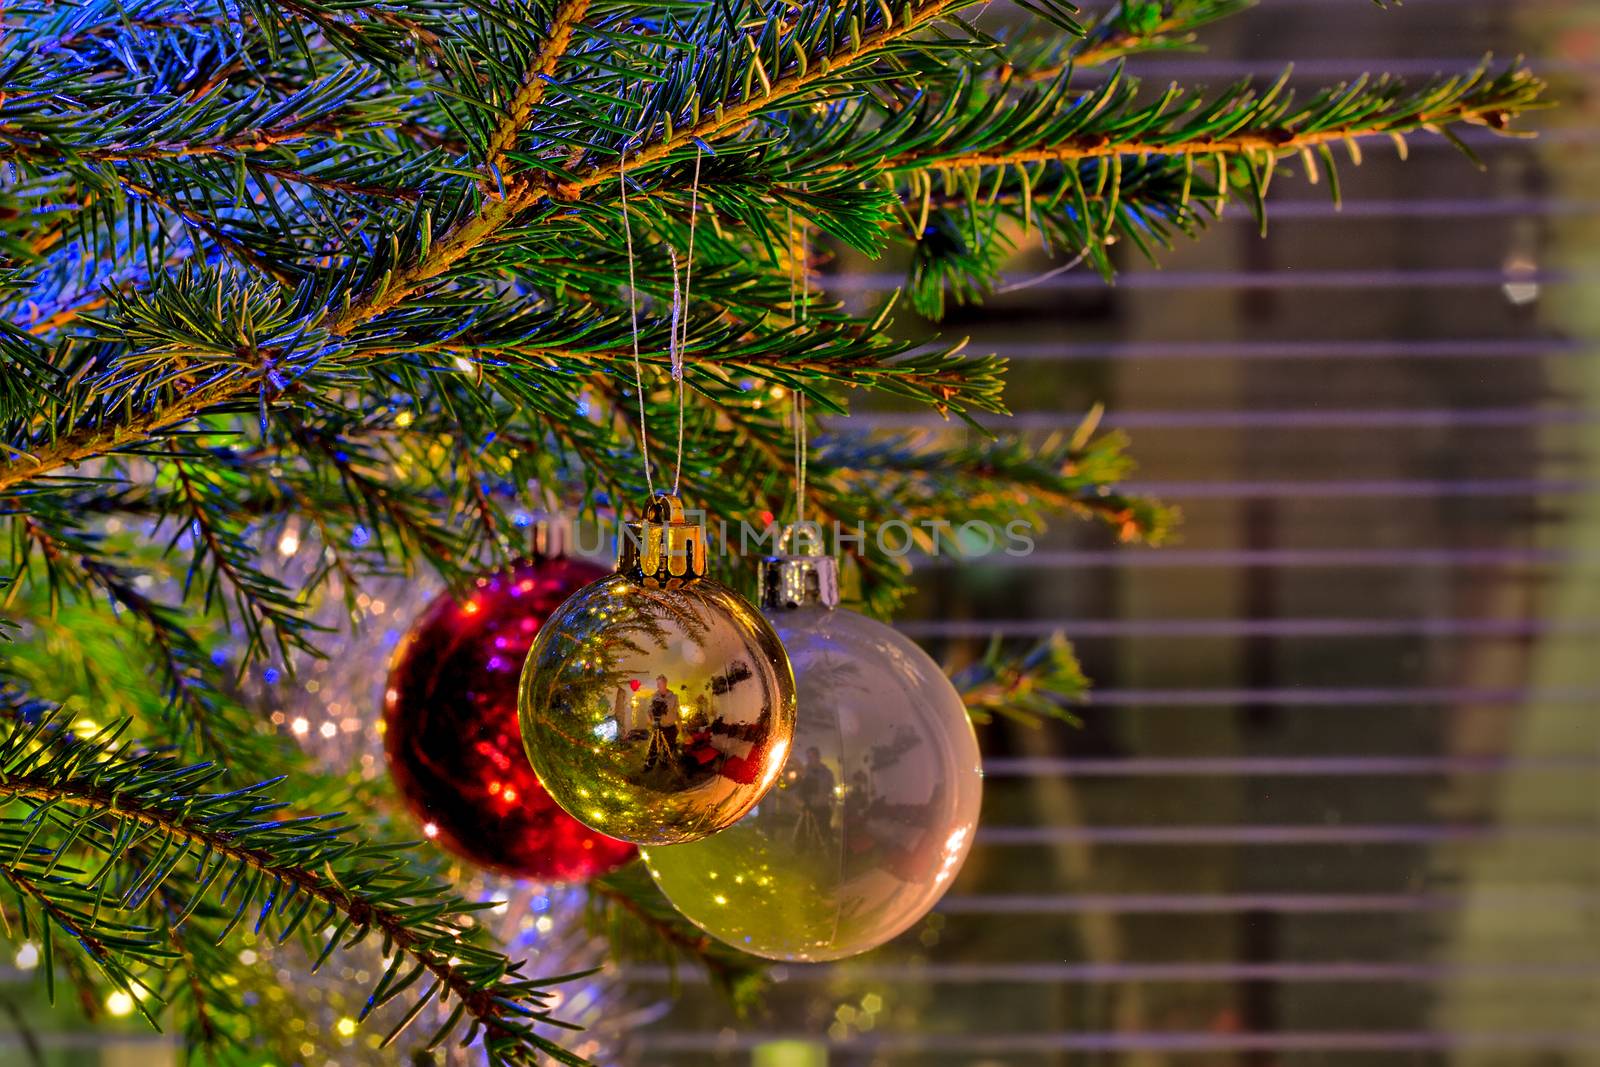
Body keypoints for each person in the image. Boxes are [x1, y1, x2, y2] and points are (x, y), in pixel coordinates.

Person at [642, 675, 681, 772]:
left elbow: (676, 712)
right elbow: (650, 710)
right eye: (657, 684)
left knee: (669, 747)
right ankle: (649, 765)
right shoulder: (655, 696)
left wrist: (679, 725)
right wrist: (649, 718)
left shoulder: (674, 697)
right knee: (654, 746)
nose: (659, 685)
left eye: (661, 683)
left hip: (671, 727)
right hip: (659, 727)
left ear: (666, 683)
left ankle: (664, 762)